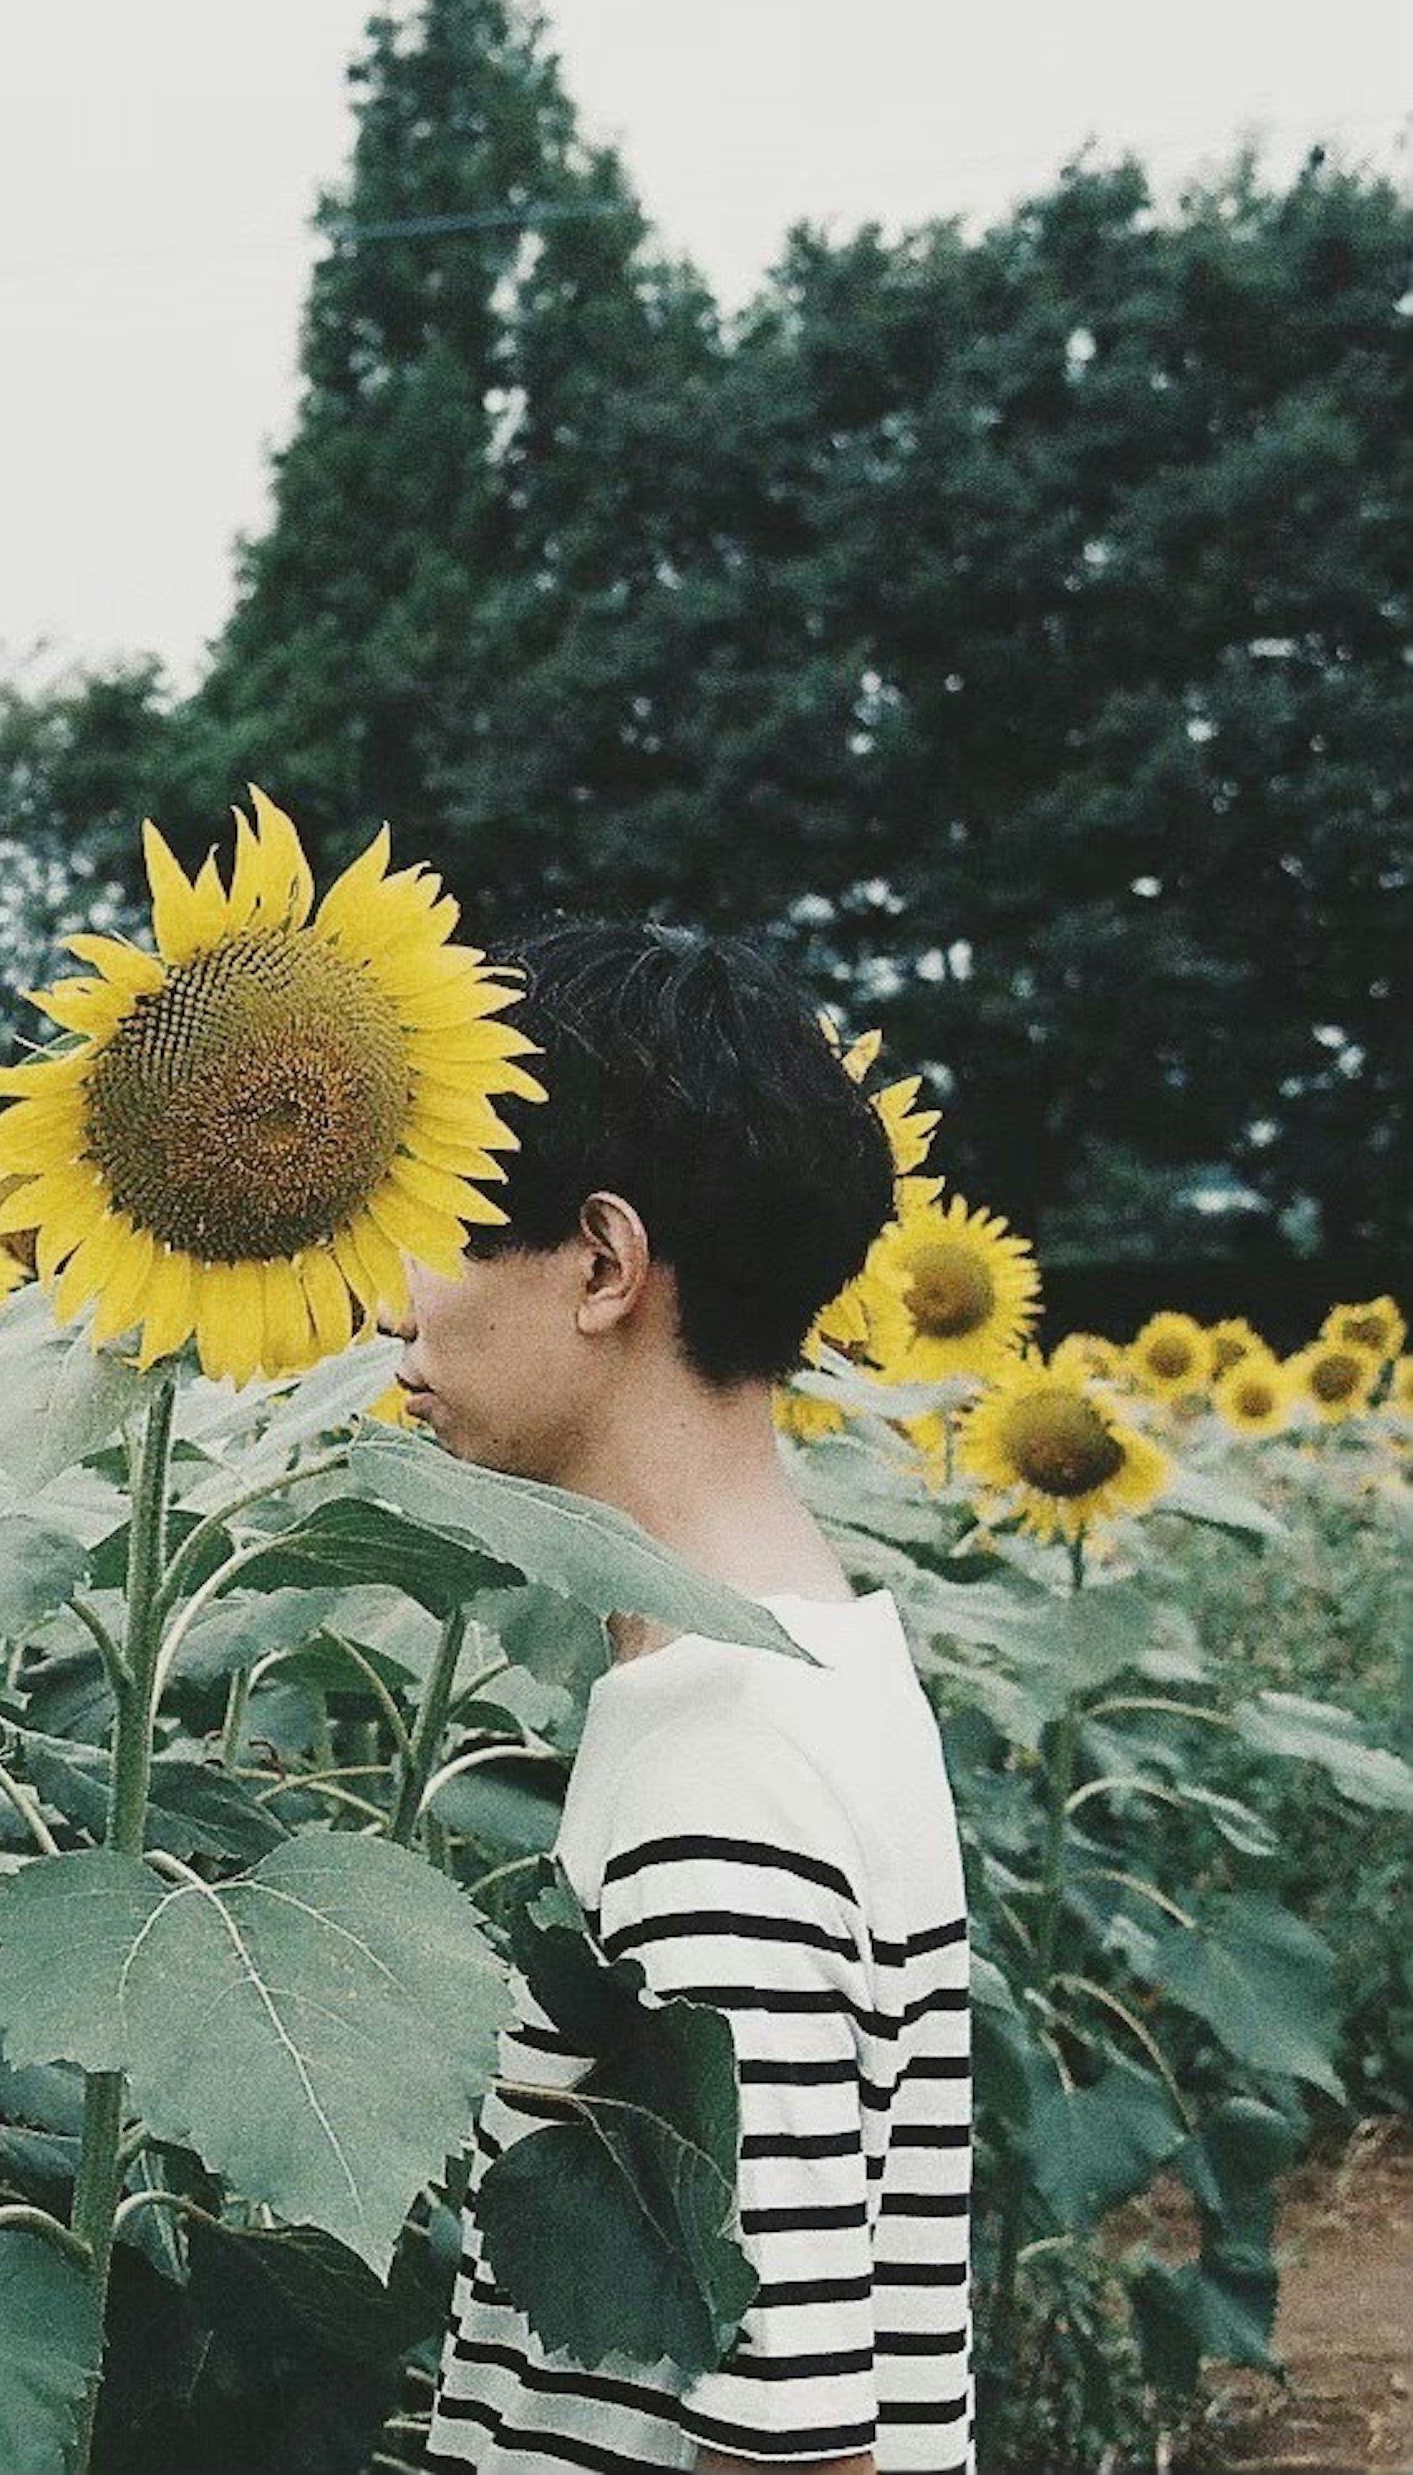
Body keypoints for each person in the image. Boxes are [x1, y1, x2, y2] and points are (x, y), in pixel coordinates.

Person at [394, 921, 974, 2475]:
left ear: (601, 1263)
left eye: (441, 1224)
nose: (398, 1303)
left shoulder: (723, 1769)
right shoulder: (817, 1669)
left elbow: (791, 2441)